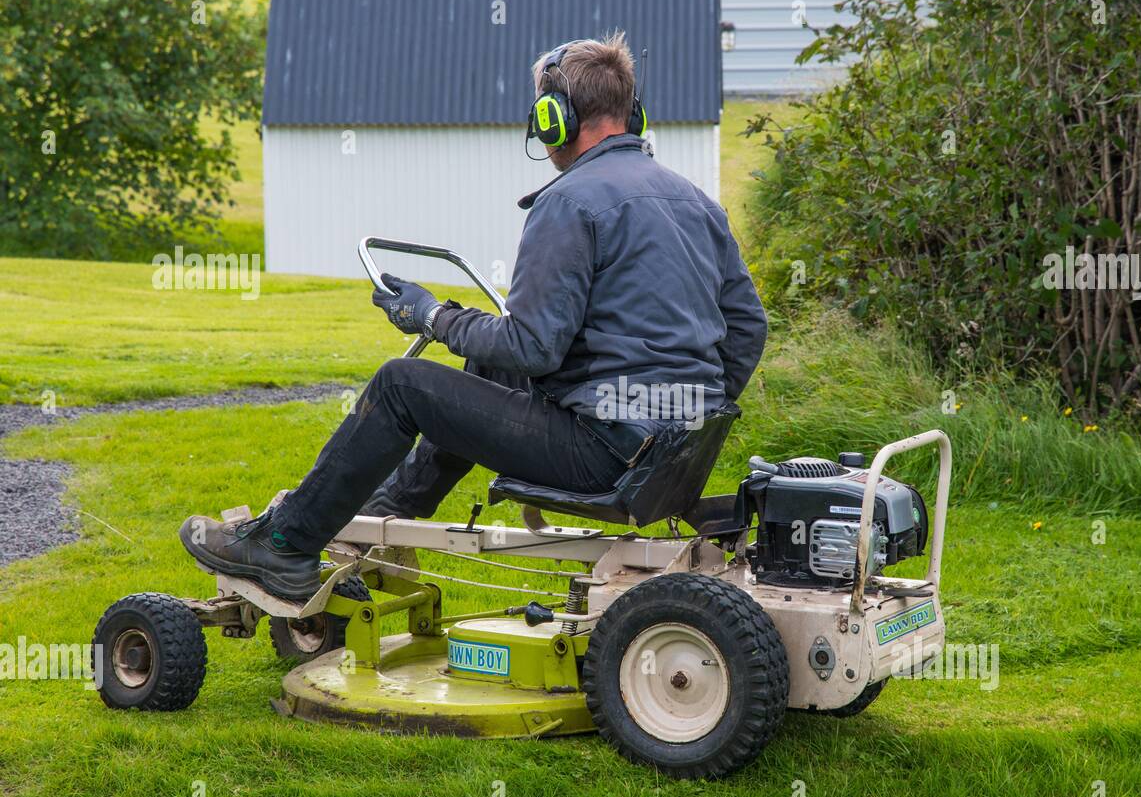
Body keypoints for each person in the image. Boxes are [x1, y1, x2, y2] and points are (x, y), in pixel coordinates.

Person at [179, 31, 766, 600]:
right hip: (673, 450)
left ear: (553, 118)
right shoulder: (696, 201)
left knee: (400, 383)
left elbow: (532, 347)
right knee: (485, 372)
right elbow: (747, 328)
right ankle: (381, 517)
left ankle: (282, 546)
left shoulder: (568, 203)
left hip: (604, 452)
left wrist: (433, 316)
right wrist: (691, 415)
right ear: (630, 114)